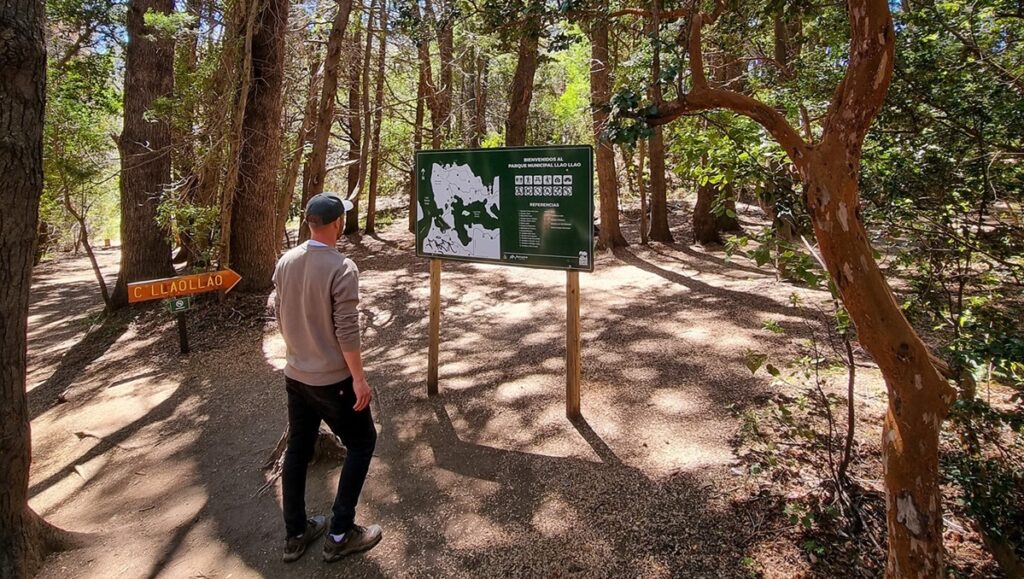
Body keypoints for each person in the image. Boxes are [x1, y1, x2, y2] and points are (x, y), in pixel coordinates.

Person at [272, 192, 382, 563]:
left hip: (295, 375)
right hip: (332, 380)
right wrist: (358, 380)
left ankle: (296, 533)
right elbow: (347, 331)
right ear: (336, 224)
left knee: (298, 451)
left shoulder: (285, 261)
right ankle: (339, 533)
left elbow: (281, 317)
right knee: (363, 443)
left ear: (309, 224)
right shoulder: (341, 267)